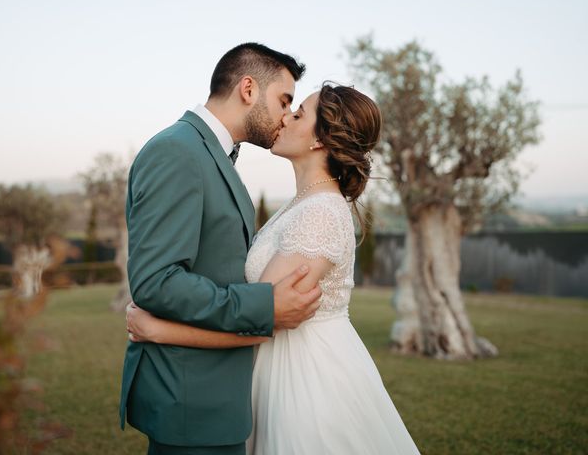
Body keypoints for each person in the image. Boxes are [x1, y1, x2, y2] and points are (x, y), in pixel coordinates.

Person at [127, 83, 422, 454]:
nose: (285, 117)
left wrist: (158, 330)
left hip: (306, 380)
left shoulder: (321, 215)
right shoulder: (302, 204)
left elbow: (261, 323)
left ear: (320, 141)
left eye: (298, 114)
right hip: (275, 369)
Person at [120, 43, 323, 455]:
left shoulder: (208, 152)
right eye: (284, 100)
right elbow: (156, 282)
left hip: (217, 398)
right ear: (248, 88)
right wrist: (264, 306)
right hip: (191, 401)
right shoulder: (177, 151)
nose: (287, 115)